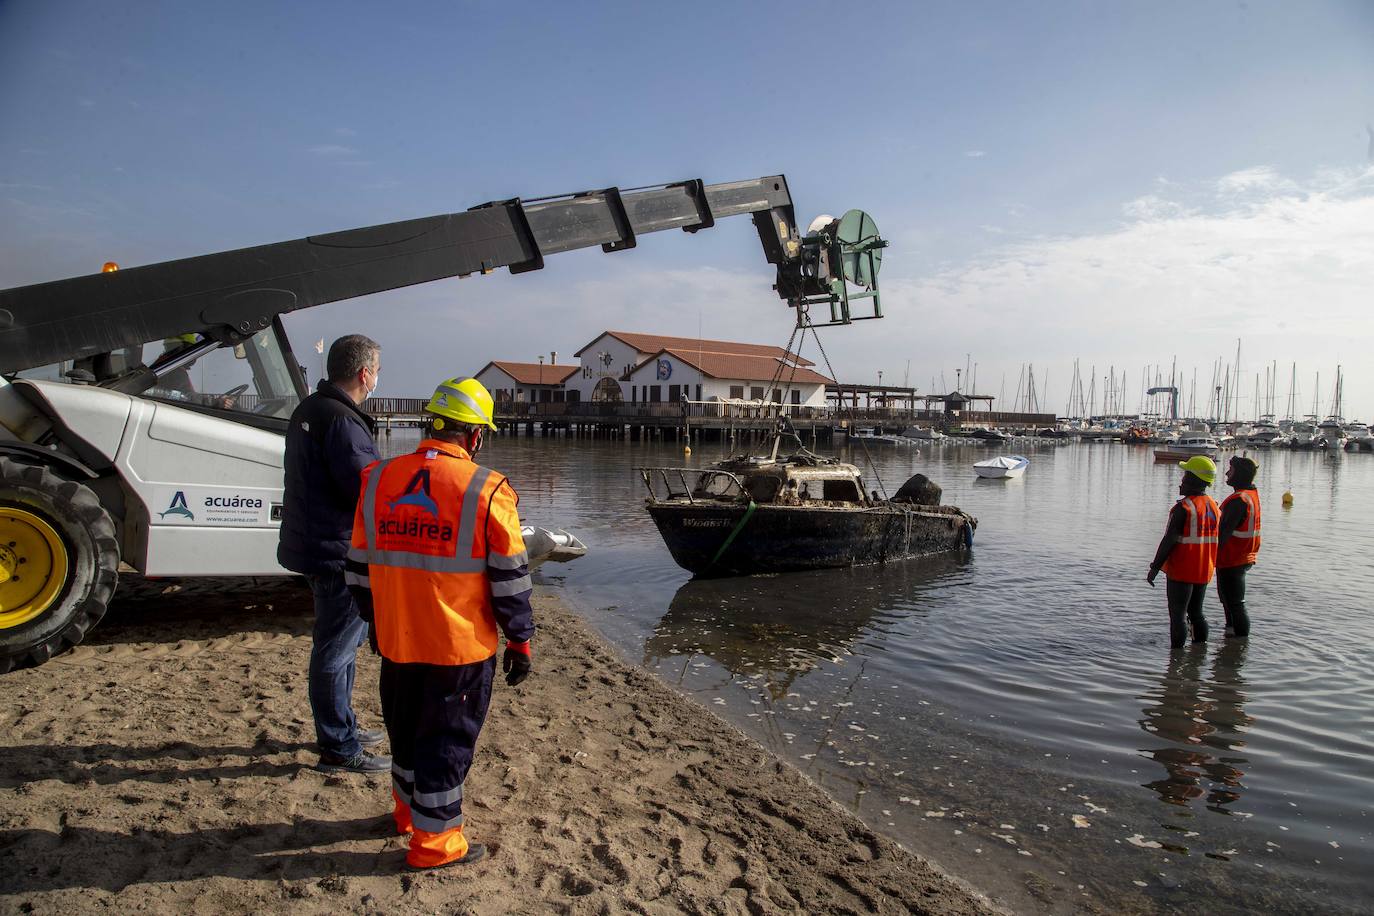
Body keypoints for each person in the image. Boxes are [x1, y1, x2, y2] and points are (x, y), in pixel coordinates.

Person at [345, 377, 534, 870]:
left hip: (397, 642)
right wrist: (521, 643)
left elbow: (358, 569)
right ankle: (436, 845)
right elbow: (510, 581)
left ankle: (406, 815)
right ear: (475, 436)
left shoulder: (378, 480)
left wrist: (377, 623)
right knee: (446, 744)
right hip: (459, 650)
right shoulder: (490, 490)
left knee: (404, 733)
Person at [278, 334, 390, 774]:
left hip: (312, 541)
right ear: (364, 373)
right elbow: (366, 488)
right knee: (336, 650)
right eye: (378, 369)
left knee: (341, 643)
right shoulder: (342, 421)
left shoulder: (311, 409)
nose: (378, 377)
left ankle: (343, 726)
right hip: (336, 550)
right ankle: (339, 747)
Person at [1147, 456, 1220, 649]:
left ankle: (1176, 657)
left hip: (1182, 570)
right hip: (1204, 569)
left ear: (1194, 479)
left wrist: (1155, 567)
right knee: (1196, 612)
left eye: (1186, 475)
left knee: (1178, 614)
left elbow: (1168, 540)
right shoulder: (1214, 506)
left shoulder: (1183, 508)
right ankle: (1199, 651)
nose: (1182, 481)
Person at [1216, 456, 1261, 638]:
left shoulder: (1239, 500)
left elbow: (1223, 534)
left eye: (1231, 470)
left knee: (1235, 603)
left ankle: (1240, 643)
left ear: (1240, 475)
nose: (1227, 473)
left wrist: (1208, 558)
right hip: (1242, 556)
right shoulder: (1250, 494)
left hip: (1233, 558)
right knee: (1230, 602)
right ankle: (1231, 640)